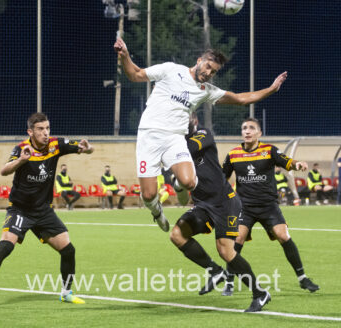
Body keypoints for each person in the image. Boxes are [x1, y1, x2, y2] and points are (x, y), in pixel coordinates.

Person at [114, 37, 288, 232]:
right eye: (207, 67)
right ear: (199, 61)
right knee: (148, 195)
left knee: (189, 182)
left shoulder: (206, 91)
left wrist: (271, 89)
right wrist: (125, 55)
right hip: (149, 136)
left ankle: (178, 183)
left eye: (213, 71)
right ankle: (157, 213)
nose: (208, 73)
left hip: (175, 138)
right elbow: (135, 74)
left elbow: (240, 99)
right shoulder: (171, 70)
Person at [0, 113, 94, 310]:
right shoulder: (22, 149)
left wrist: (88, 149)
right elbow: (4, 170)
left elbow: (85, 147)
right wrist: (21, 160)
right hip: (20, 210)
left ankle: (66, 293)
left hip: (43, 211)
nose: (45, 133)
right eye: (40, 129)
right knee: (5, 247)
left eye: (47, 128)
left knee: (68, 250)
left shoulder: (55, 145)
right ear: (30, 132)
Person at [170, 114, 271, 312]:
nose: (181, 120)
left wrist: (164, 150)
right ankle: (215, 271)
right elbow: (182, 199)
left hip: (225, 202)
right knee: (177, 235)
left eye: (185, 117)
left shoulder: (203, 135)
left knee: (225, 251)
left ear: (194, 121)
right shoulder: (176, 150)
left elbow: (186, 150)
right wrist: (179, 186)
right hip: (203, 205)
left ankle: (260, 293)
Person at [221, 118, 319, 296]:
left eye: (252, 128)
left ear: (259, 133)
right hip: (244, 207)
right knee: (237, 241)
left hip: (268, 206)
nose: (247, 131)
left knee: (283, 235)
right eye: (244, 128)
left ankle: (302, 278)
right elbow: (222, 178)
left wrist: (297, 164)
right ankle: (229, 281)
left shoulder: (269, 150)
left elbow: (286, 161)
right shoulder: (233, 154)